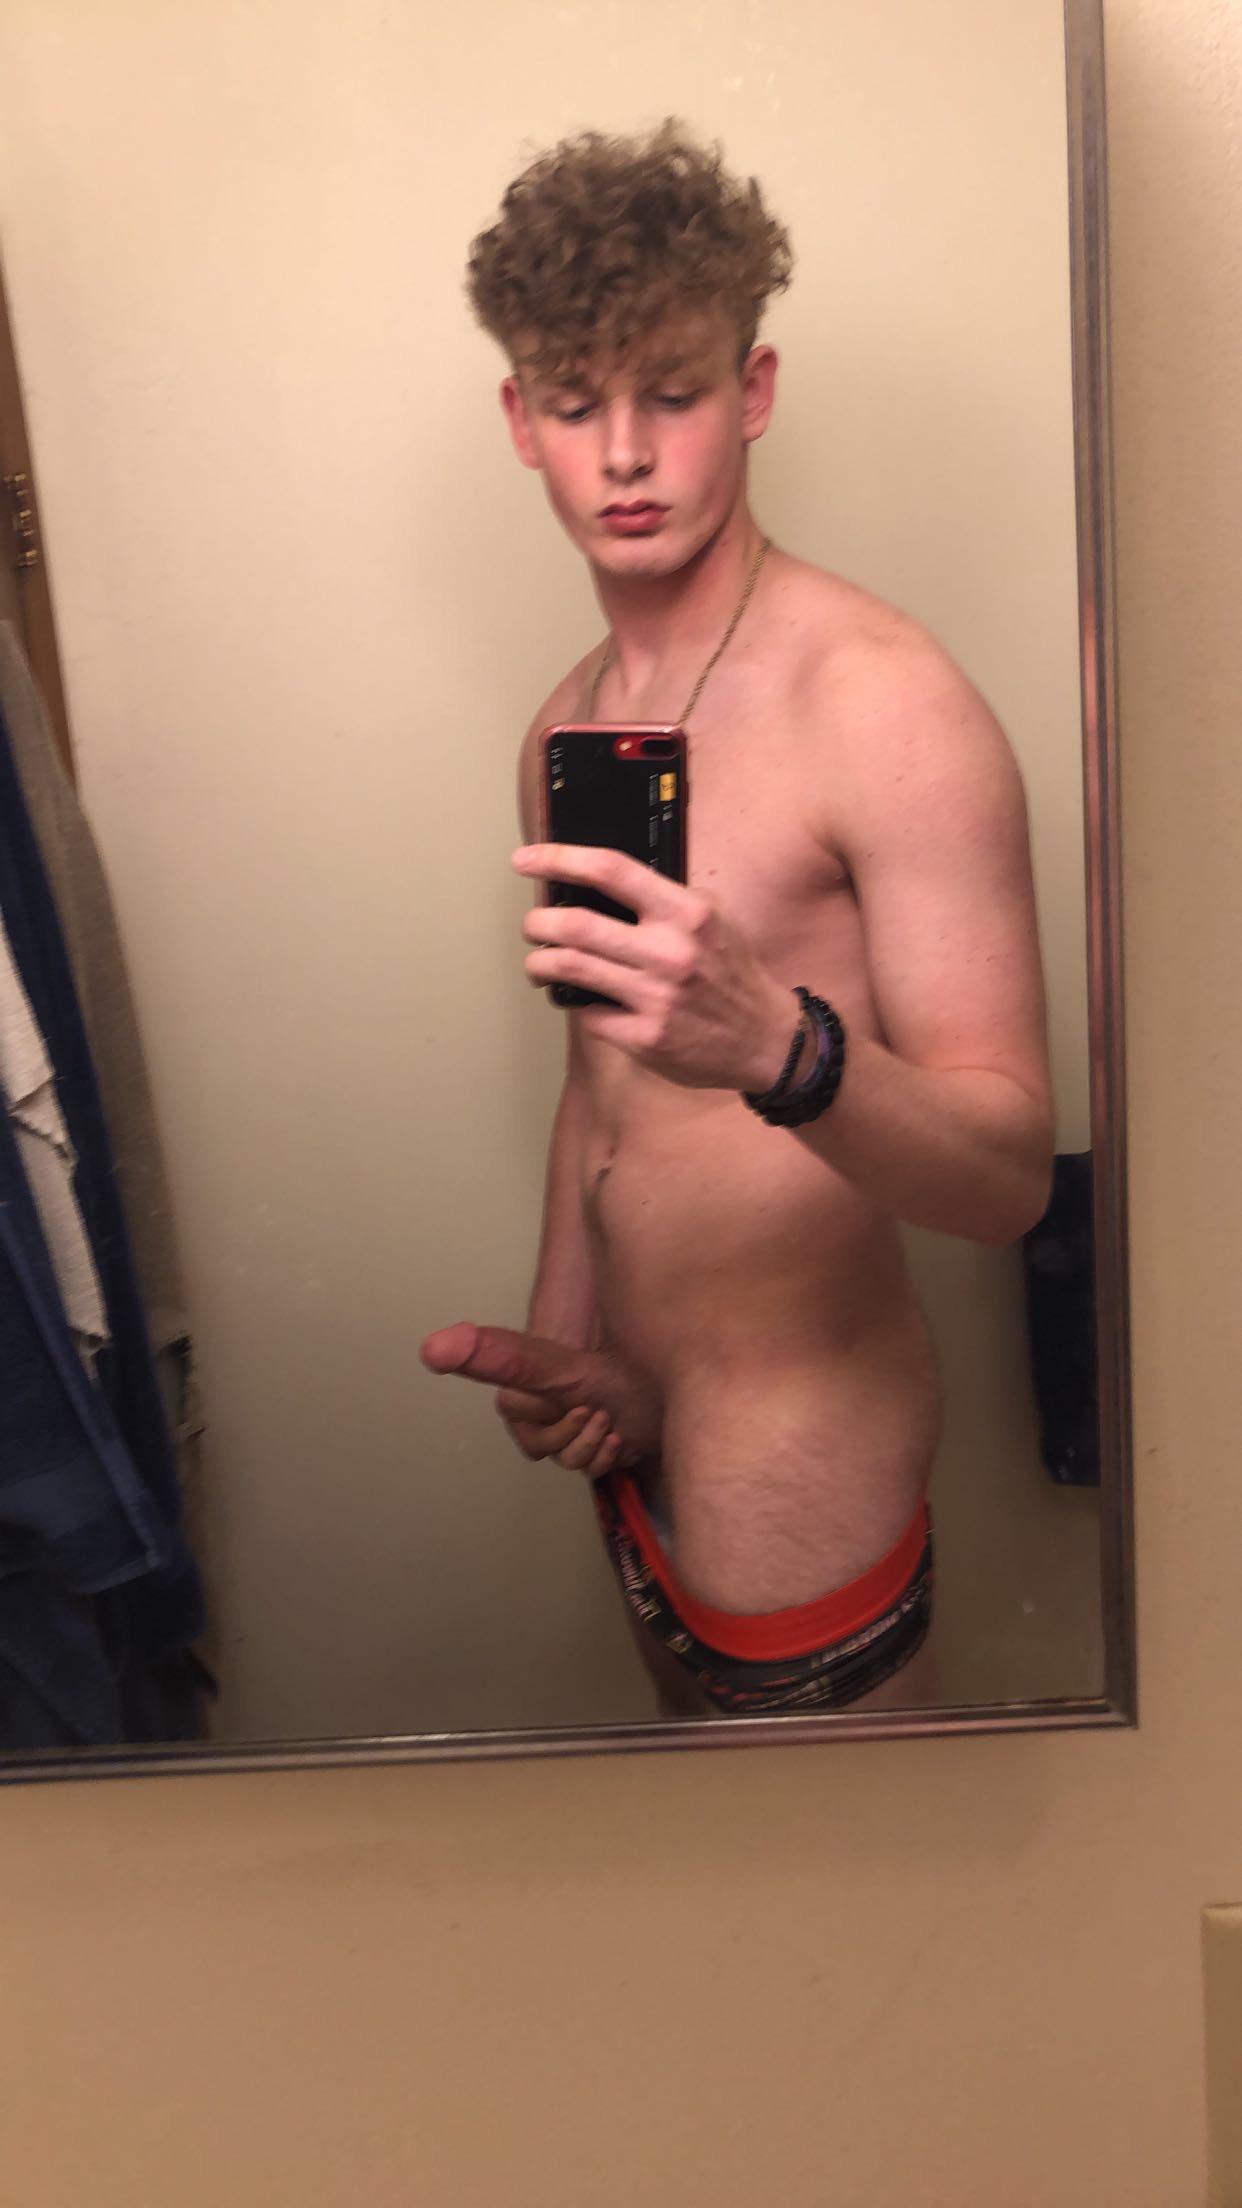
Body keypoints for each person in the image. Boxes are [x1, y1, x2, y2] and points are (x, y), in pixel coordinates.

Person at [421, 119, 1054, 1718]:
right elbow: (600, 1082)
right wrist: (564, 1343)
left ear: (752, 391)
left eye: (673, 392)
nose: (625, 454)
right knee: (692, 1855)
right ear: (521, 421)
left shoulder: (881, 703)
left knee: (829, 1883)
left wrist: (778, 1043)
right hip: (626, 1424)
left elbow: (1004, 1180)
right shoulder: (565, 729)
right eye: (577, 403)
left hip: (798, 1435)